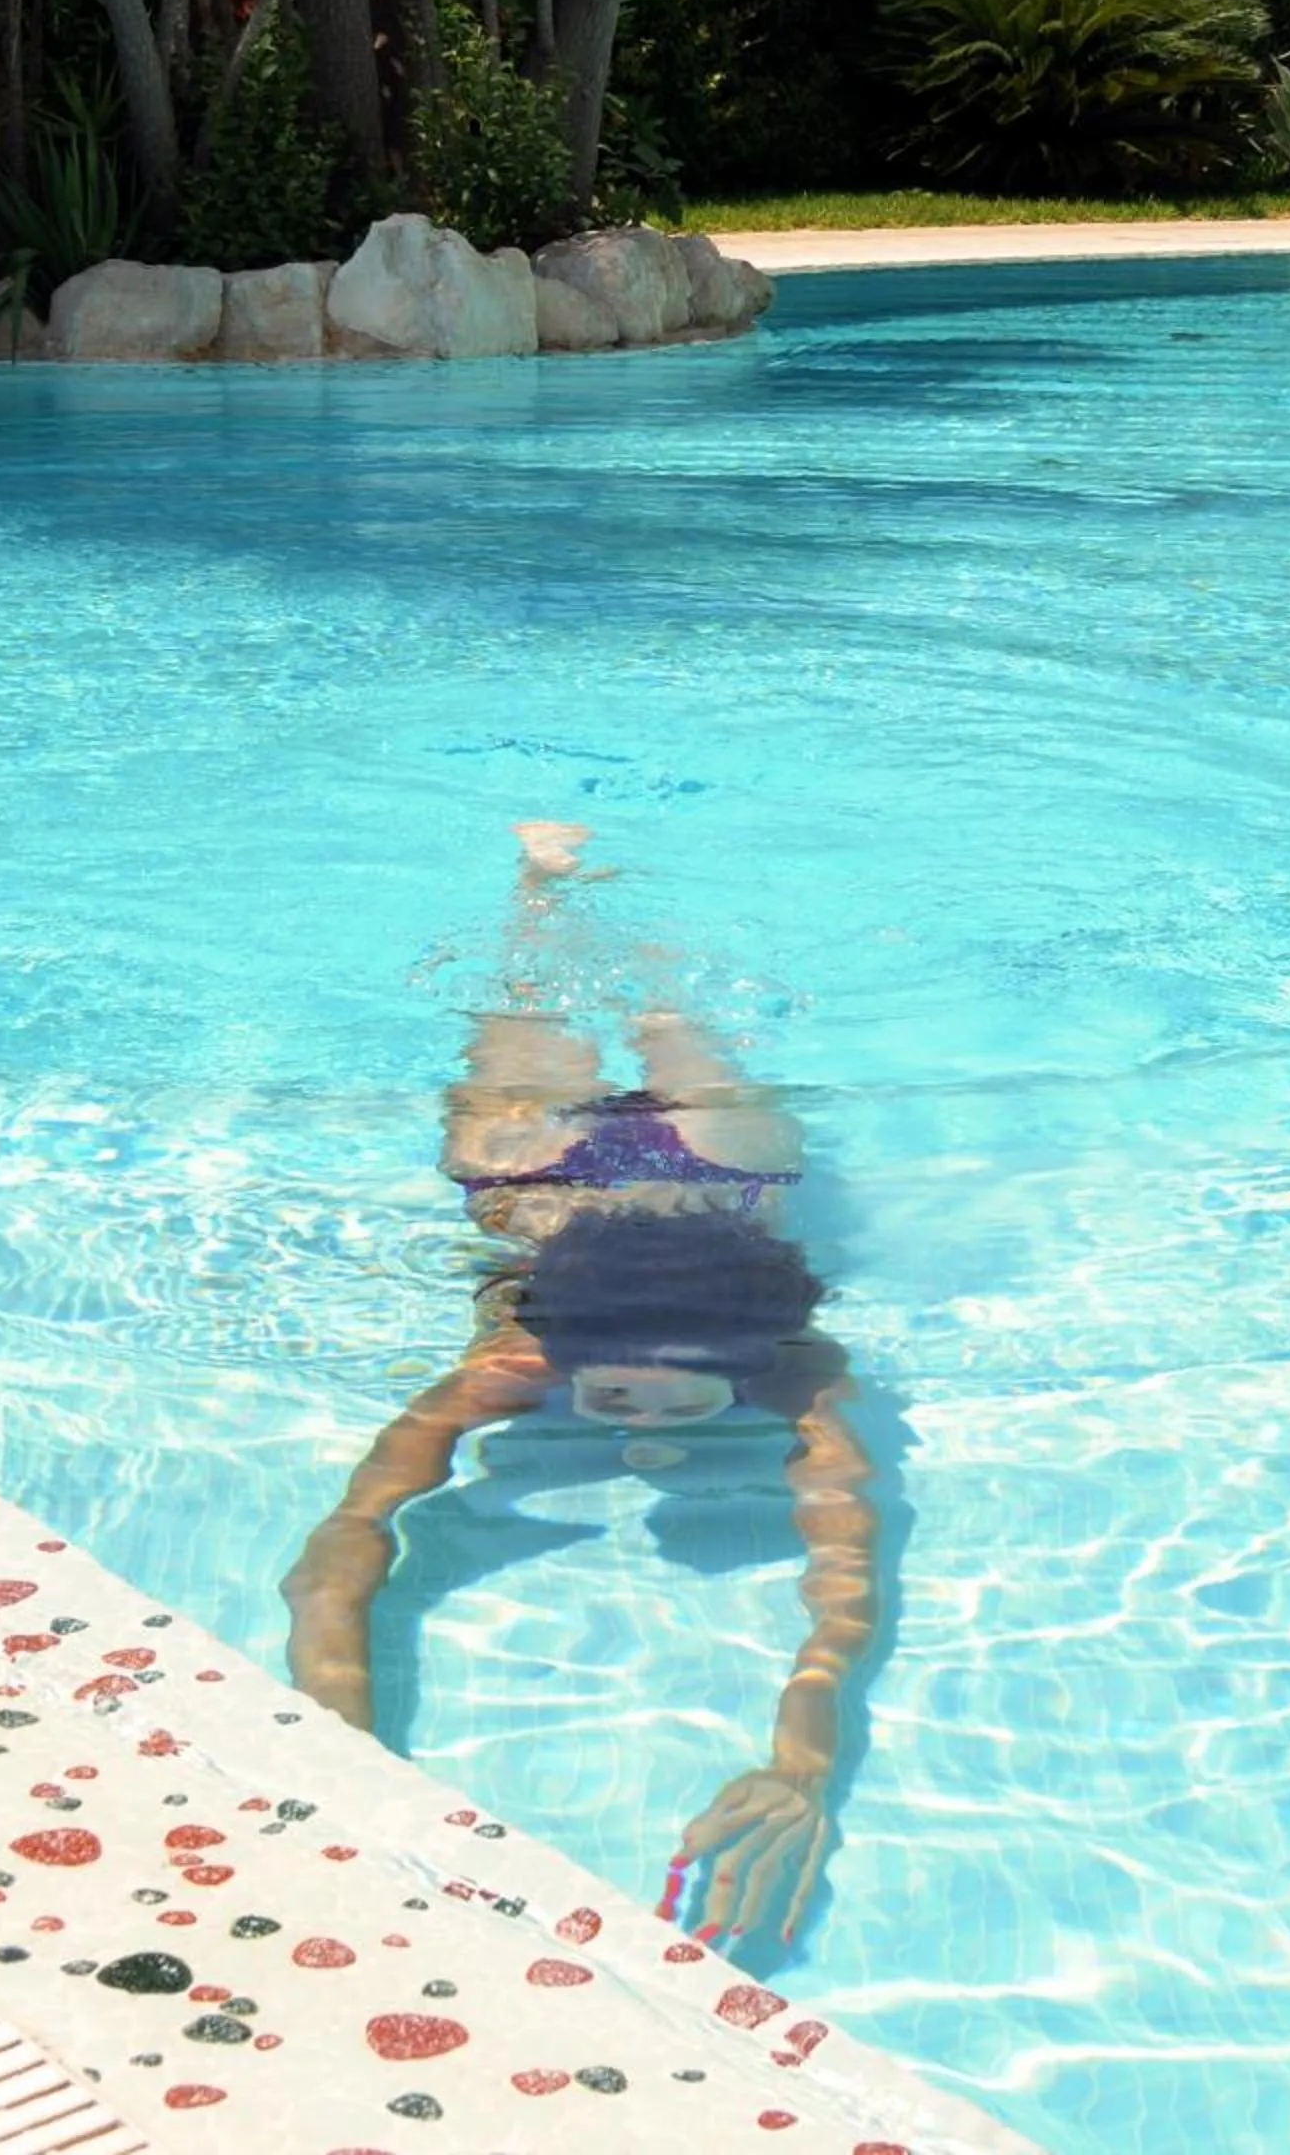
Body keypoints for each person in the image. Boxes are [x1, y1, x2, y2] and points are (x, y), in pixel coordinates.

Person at [283, 823, 880, 1947]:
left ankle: (595, 892)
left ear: (739, 1369)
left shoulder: (796, 1373)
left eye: (669, 1402)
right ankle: (544, 883)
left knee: (637, 1021)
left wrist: (802, 1766)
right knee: (549, 1017)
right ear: (564, 1364)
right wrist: (342, 1753)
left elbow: (848, 1583)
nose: (645, 1433)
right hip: (625, 1167)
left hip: (623, 1171)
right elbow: (341, 1549)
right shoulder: (514, 1359)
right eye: (617, 1401)